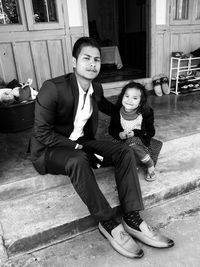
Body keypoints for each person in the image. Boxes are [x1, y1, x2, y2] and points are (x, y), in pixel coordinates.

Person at [30, 37, 174, 259]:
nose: (92, 64)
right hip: (50, 150)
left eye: (97, 59)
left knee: (124, 150)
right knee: (78, 160)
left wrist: (138, 107)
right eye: (86, 58)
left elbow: (112, 108)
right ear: (73, 62)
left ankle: (132, 217)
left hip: (82, 142)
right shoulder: (53, 89)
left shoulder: (95, 87)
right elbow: (42, 133)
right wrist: (79, 147)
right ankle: (106, 221)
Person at [109, 81, 156, 182]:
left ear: (141, 101)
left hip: (140, 142)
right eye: (127, 96)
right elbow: (111, 130)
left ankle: (149, 164)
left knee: (132, 142)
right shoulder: (117, 112)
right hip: (122, 142)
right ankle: (135, 163)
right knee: (117, 153)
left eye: (135, 98)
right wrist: (119, 135)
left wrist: (135, 133)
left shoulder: (146, 113)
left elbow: (151, 132)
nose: (129, 100)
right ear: (122, 97)